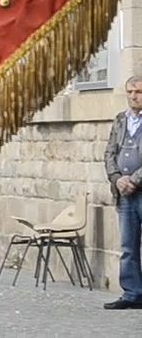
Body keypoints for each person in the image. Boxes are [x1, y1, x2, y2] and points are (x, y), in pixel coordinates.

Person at [104, 74, 142, 310]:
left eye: (137, 92)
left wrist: (134, 180)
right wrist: (118, 179)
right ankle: (132, 293)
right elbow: (109, 153)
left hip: (139, 189)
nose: (133, 96)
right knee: (128, 246)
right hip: (124, 195)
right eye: (129, 92)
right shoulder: (121, 120)